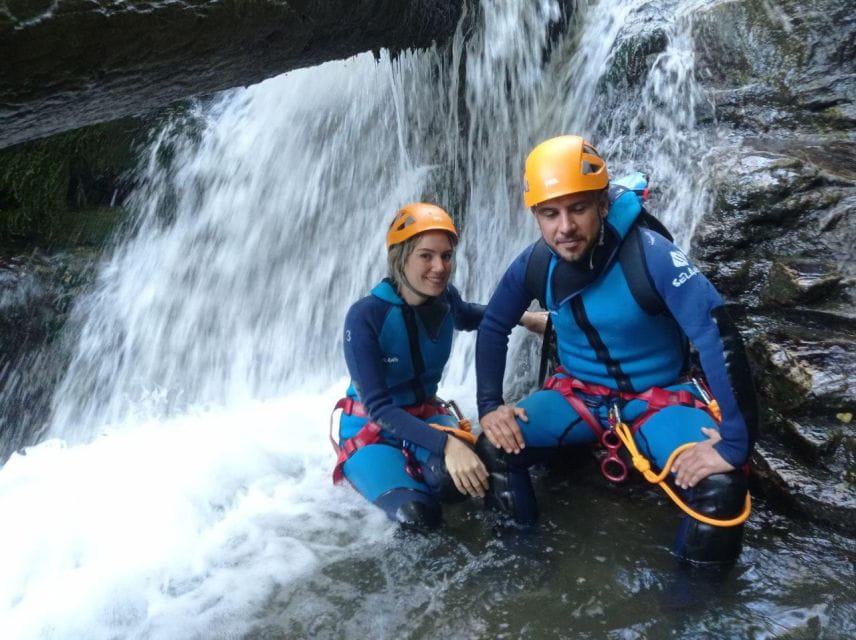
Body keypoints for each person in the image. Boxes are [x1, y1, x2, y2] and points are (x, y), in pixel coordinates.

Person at [475, 135, 758, 564]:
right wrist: (490, 405)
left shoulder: (651, 256)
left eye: (579, 208)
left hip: (657, 401)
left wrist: (735, 444)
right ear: (535, 216)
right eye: (550, 214)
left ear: (603, 204)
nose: (564, 227)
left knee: (722, 488)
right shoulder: (534, 264)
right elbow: (494, 326)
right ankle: (523, 569)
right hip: (577, 396)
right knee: (495, 445)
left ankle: (689, 614)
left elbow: (718, 337)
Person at [332, 202, 546, 530]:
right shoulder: (365, 316)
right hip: (372, 430)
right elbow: (379, 408)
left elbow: (471, 315)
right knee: (419, 517)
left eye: (446, 256)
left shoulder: (446, 299)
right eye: (426, 256)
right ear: (401, 257)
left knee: (460, 484)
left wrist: (527, 317)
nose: (439, 267)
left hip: (426, 416)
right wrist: (447, 445)